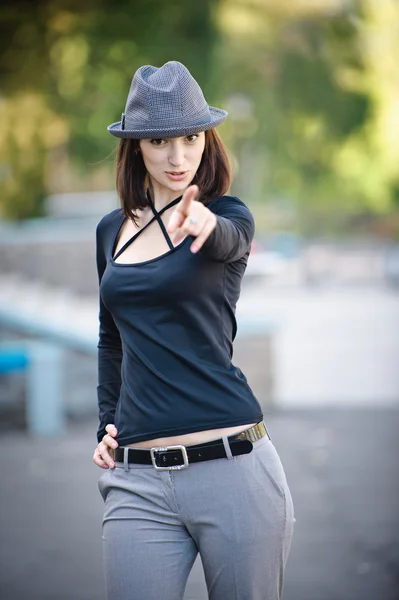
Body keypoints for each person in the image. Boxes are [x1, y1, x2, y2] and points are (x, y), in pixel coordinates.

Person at [93, 60, 295, 600]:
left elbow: (231, 239)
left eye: (191, 137)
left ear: (207, 137)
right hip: (137, 483)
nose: (178, 156)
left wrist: (207, 224)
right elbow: (111, 336)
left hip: (232, 467)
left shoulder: (228, 215)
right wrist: (107, 422)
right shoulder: (111, 231)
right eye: (159, 140)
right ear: (136, 145)